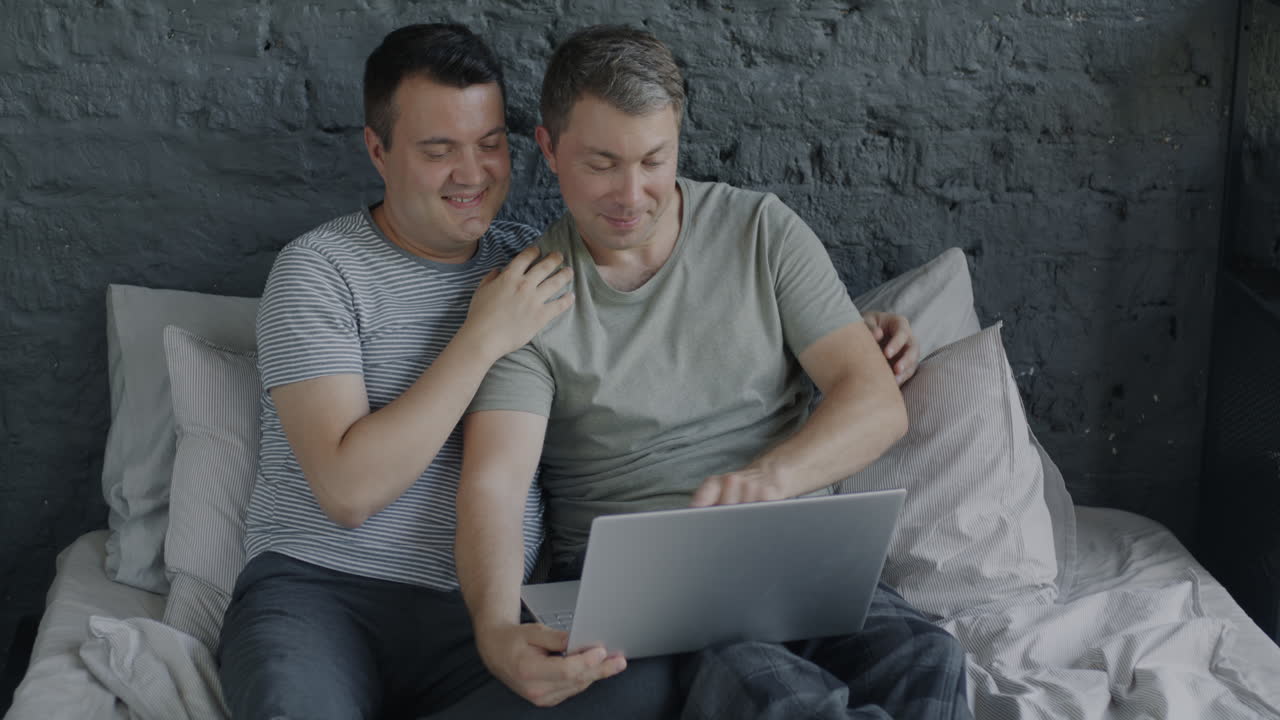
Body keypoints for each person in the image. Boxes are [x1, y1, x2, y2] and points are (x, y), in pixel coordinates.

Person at [457, 25, 969, 720]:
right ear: (548, 150)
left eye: (654, 160)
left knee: (930, 658)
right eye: (602, 164)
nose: (632, 194)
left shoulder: (761, 231)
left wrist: (773, 480)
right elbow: (494, 482)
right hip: (650, 583)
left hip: (791, 546)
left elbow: (875, 400)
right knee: (778, 693)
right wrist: (494, 630)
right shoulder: (527, 296)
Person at [217, 23, 682, 720]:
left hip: (483, 614)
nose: (473, 174)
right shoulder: (318, 271)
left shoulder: (537, 262)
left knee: (636, 686)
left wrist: (832, 341)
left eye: (490, 143)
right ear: (378, 150)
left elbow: (667, 326)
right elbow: (348, 491)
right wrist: (481, 337)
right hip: (323, 594)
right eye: (439, 151)